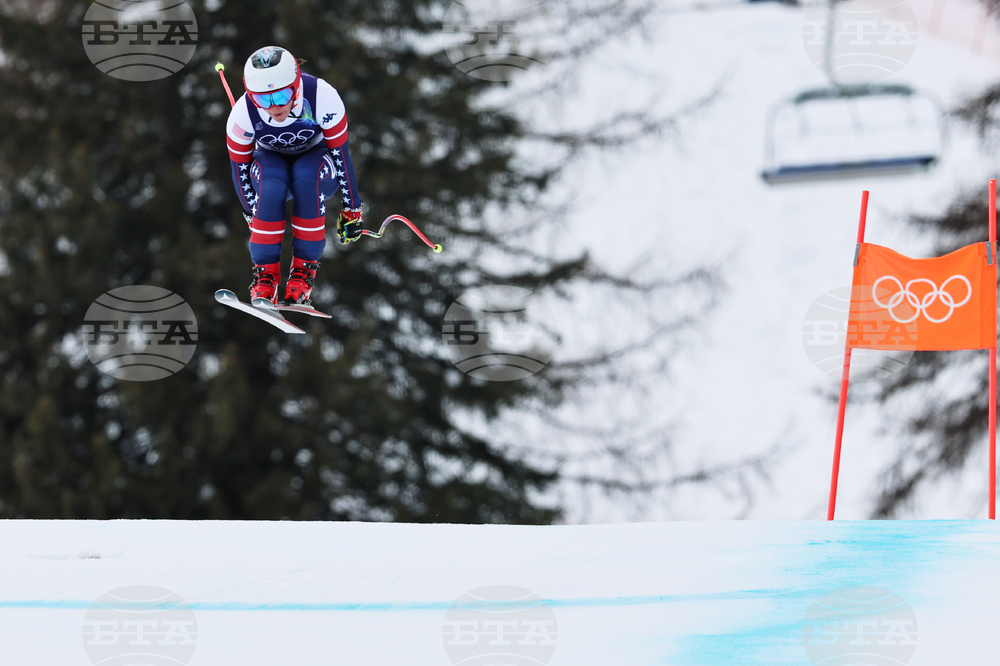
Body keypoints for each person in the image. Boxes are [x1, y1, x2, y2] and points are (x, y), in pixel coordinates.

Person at [225, 46, 364, 305]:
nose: (275, 107)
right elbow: (239, 170)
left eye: (281, 95)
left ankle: (302, 275)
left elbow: (342, 156)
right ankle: (265, 278)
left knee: (305, 176)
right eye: (263, 99)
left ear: (296, 83)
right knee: (272, 182)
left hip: (317, 159)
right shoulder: (242, 114)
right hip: (271, 162)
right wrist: (251, 213)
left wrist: (352, 208)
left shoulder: (322, 96)